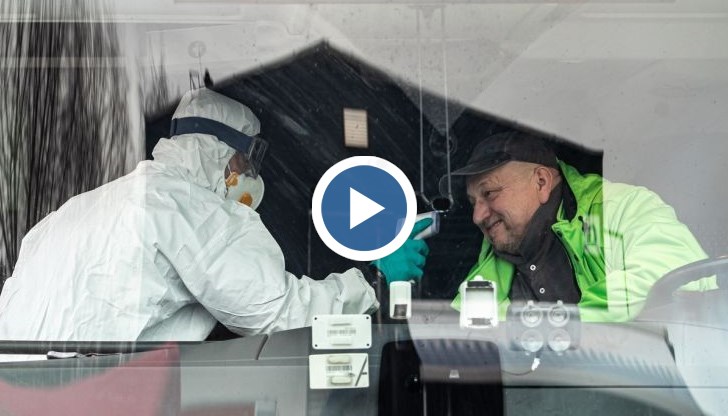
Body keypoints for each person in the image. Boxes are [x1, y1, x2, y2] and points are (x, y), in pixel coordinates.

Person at [0, 88, 380, 341]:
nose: (249, 175)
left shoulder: (69, 214)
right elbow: (277, 313)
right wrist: (372, 287)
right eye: (246, 161)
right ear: (223, 154)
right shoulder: (190, 207)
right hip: (94, 397)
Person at [446, 131, 715, 321]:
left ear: (541, 182)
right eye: (473, 202)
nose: (477, 216)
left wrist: (567, 331)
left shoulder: (620, 208)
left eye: (489, 193)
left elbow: (676, 273)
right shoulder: (486, 271)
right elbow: (466, 352)